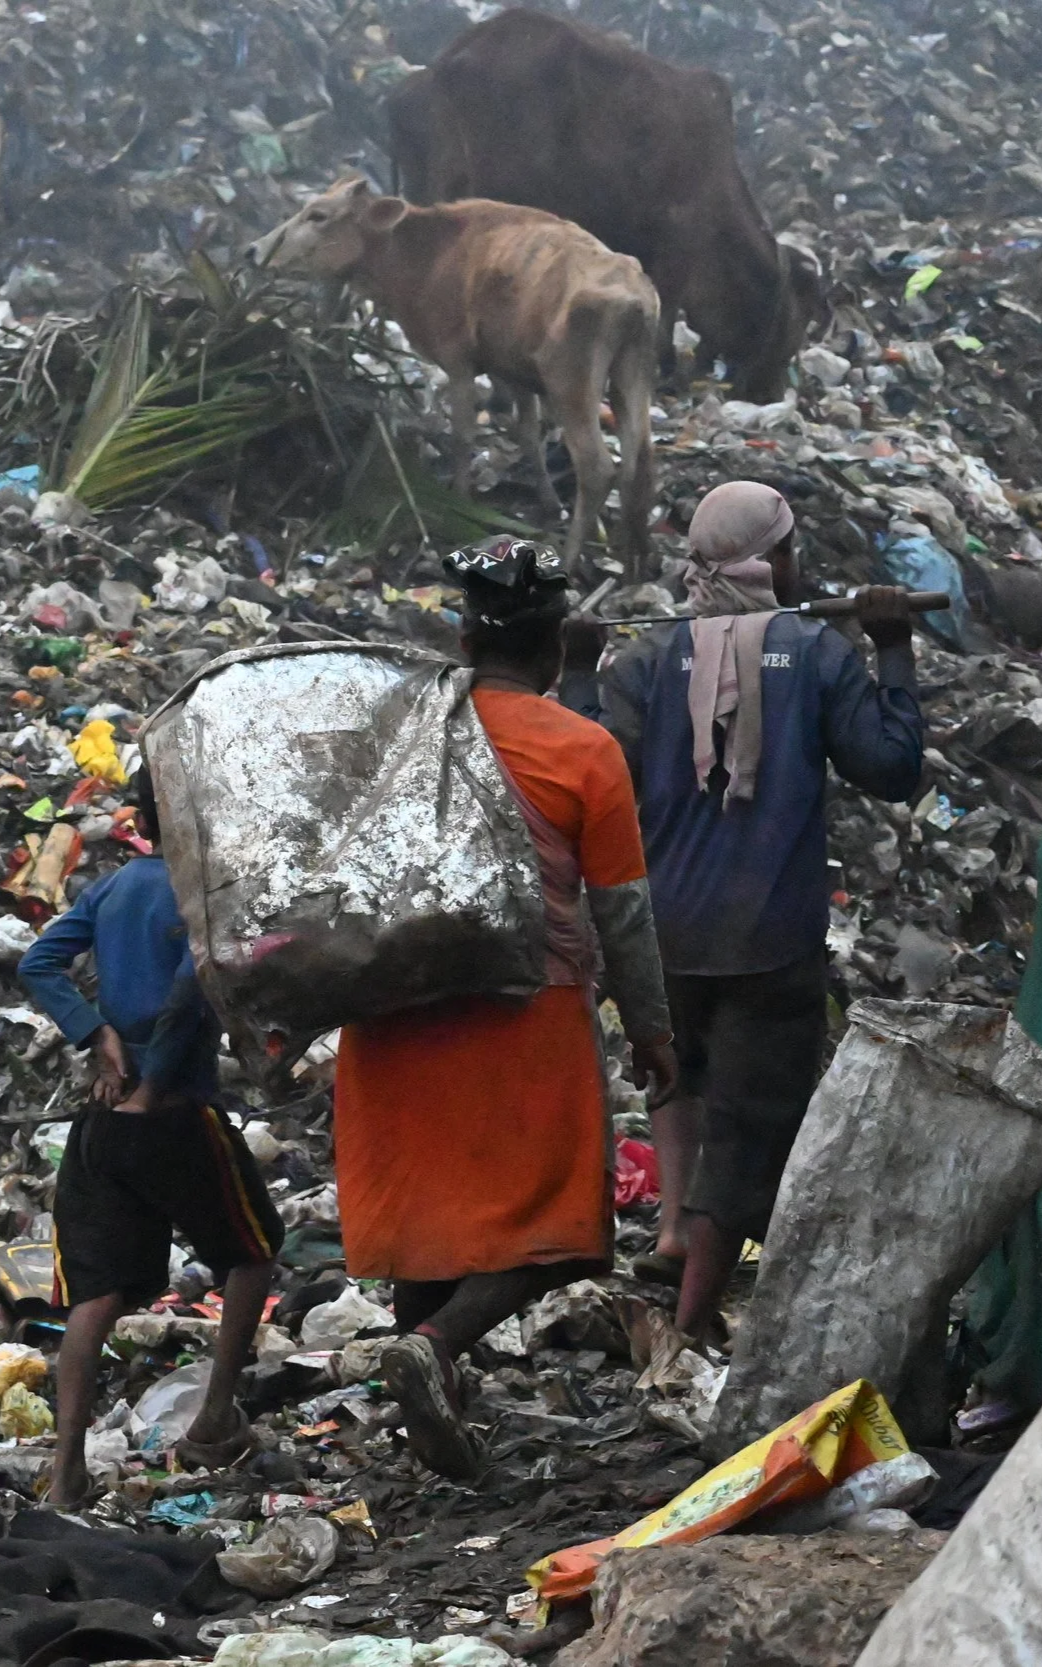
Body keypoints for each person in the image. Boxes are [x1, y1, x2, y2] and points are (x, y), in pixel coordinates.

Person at [334, 537, 677, 1481]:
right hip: (528, 1012)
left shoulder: (399, 728)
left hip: (394, 1004)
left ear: (462, 634)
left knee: (423, 1209)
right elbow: (624, 911)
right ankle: (436, 1349)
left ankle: (430, 1412)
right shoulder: (585, 748)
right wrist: (651, 1030)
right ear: (558, 648)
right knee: (564, 1225)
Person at [561, 479, 924, 1340]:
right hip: (770, 934)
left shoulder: (646, 661)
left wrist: (577, 670)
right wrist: (895, 646)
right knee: (752, 1121)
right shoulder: (821, 653)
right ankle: (691, 1320)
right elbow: (893, 767)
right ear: (774, 559)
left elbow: (588, 770)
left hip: (661, 933)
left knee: (679, 1072)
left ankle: (673, 1226)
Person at [17, 769, 285, 1507]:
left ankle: (66, 1469)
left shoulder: (111, 887)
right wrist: (153, 1086)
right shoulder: (203, 897)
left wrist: (95, 1032)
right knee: (254, 1250)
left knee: (95, 1295)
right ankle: (212, 1420)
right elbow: (184, 998)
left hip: (100, 1117)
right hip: (171, 1108)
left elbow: (37, 963)